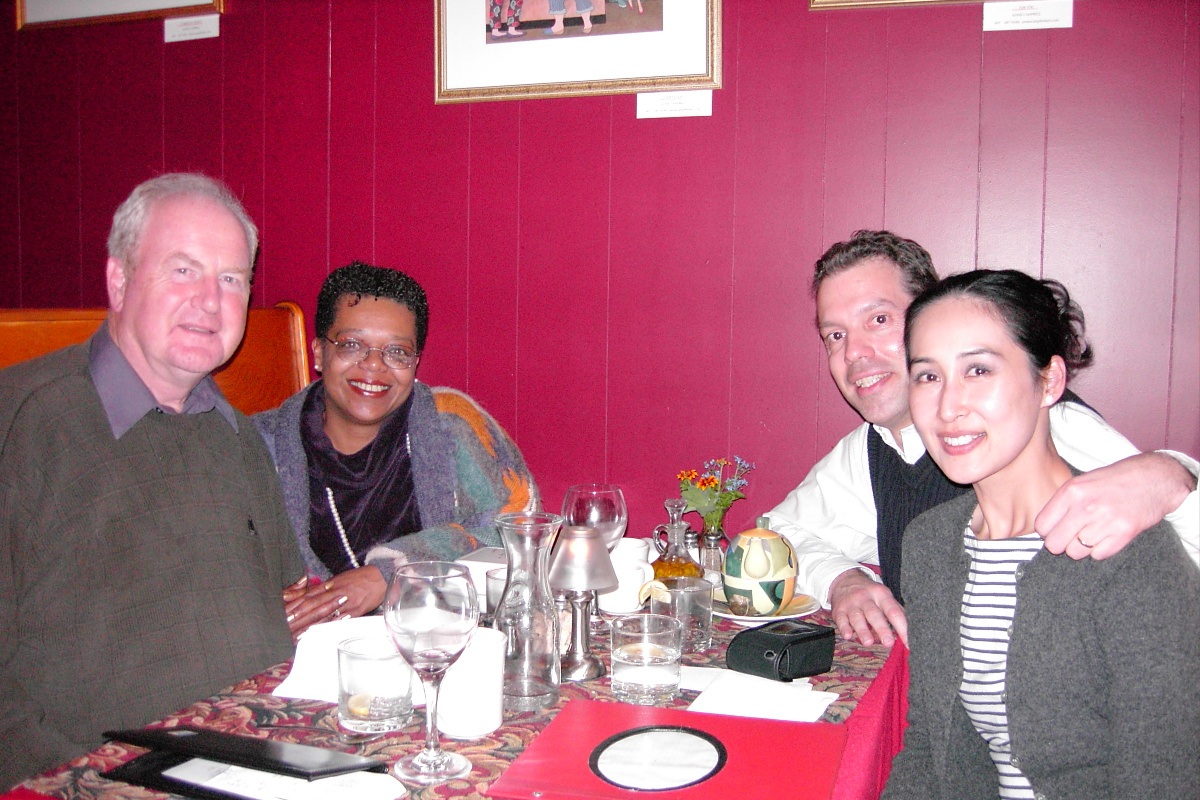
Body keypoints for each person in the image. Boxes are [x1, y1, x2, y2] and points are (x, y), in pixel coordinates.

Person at [0, 174, 303, 788]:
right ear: (118, 280)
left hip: (259, 764)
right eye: (183, 270)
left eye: (231, 279)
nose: (210, 301)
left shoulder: (239, 439)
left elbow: (283, 608)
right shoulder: (25, 424)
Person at [763, 230, 1199, 647]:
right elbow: (776, 534)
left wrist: (1172, 477)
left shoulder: (1045, 422)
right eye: (835, 335)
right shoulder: (874, 446)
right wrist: (843, 580)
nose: (854, 352)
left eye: (878, 319)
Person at [882, 270, 1198, 799]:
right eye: (928, 376)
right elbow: (934, 751)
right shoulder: (932, 543)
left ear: (1049, 381)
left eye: (978, 369)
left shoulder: (1127, 552)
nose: (948, 407)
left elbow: (1164, 778)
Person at [253, 262, 538, 637]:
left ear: (415, 362)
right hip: (306, 664)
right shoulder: (258, 446)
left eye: (397, 352)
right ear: (319, 353)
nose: (374, 366)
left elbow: (524, 529)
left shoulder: (451, 423)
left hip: (440, 650)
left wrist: (390, 574)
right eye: (352, 345)